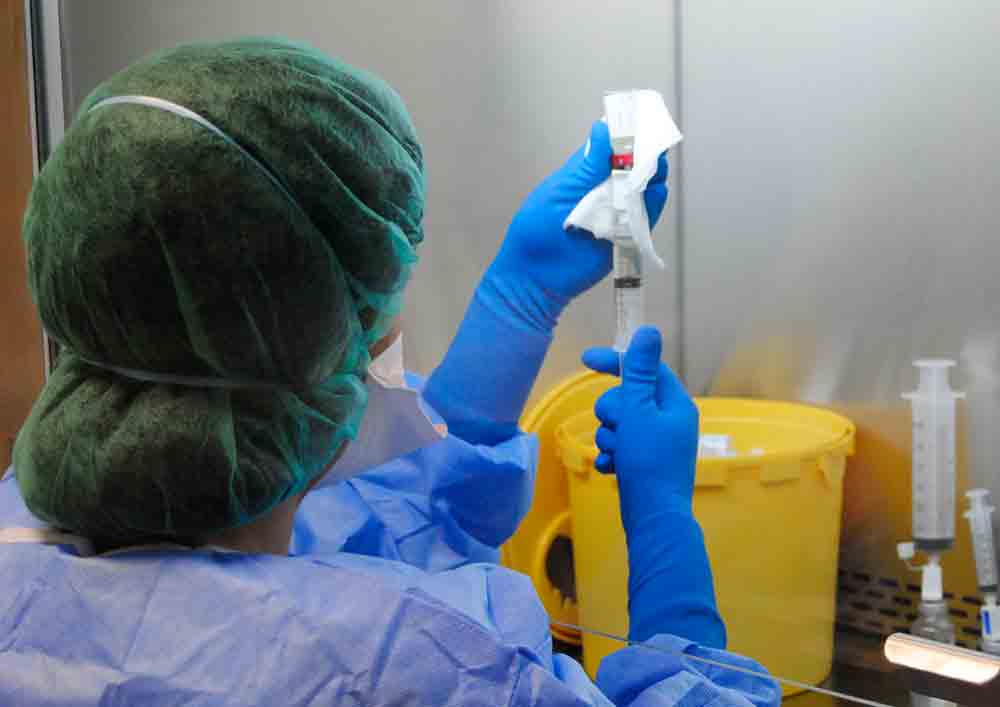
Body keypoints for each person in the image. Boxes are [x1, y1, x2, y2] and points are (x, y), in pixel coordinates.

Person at [0, 38, 780, 706]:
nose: (391, 315)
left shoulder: (23, 542)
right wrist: (665, 526)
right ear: (314, 352)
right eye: (384, 286)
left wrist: (521, 299)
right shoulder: (424, 666)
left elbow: (369, 520)